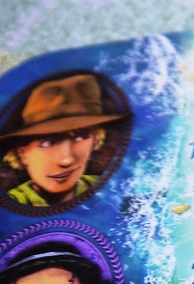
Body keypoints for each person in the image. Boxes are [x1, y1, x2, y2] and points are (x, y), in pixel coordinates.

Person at [0, 74, 128, 207]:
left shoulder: (112, 191)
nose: (67, 160)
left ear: (95, 140)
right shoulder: (9, 206)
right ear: (22, 154)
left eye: (81, 137)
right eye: (48, 143)